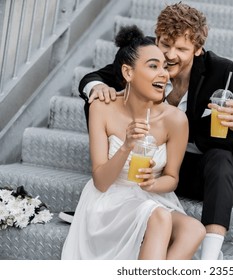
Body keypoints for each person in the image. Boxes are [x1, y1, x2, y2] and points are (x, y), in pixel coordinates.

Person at [77, 2, 233, 260]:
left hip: (197, 171)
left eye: (181, 48)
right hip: (150, 165)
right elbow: (93, 77)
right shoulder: (145, 57)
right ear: (156, 38)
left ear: (198, 49)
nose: (169, 55)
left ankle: (211, 257)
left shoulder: (223, 72)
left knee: (222, 156)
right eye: (165, 44)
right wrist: (96, 89)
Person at [61, 25, 205, 260]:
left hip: (151, 196)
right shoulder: (102, 108)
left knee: (194, 229)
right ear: (128, 73)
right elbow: (101, 182)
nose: (164, 74)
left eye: (165, 67)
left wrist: (152, 184)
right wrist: (127, 144)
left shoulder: (176, 119)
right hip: (109, 199)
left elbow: (171, 178)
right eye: (153, 66)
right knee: (159, 217)